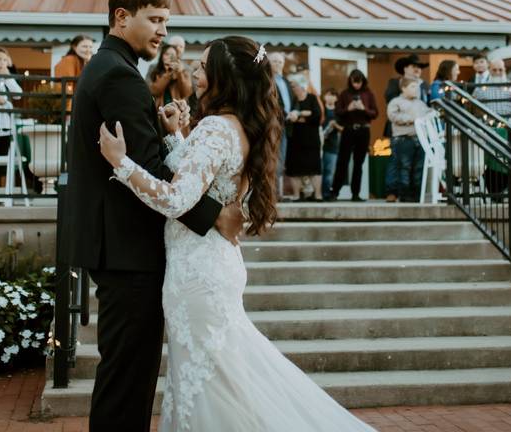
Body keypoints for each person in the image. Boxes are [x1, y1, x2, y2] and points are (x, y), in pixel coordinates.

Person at [98, 35, 374, 432]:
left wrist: (121, 163)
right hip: (210, 264)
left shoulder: (215, 128)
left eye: (203, 65)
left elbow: (177, 198)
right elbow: (204, 178)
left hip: (198, 272)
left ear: (222, 76)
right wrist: (176, 135)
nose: (194, 70)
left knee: (208, 385)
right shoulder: (235, 125)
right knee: (215, 381)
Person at [67, 0, 243, 432]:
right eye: (156, 20)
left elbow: (141, 159)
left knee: (124, 373)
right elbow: (147, 173)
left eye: (167, 21)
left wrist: (168, 134)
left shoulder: (110, 68)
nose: (164, 32)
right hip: (129, 251)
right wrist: (214, 214)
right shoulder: (120, 77)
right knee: (127, 380)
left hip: (117, 246)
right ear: (122, 17)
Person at [328, 69, 378, 202]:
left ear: (363, 81)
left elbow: (375, 113)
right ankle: (335, 192)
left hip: (363, 131)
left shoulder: (368, 94)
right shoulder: (344, 94)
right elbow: (338, 112)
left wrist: (363, 108)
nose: (356, 85)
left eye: (359, 82)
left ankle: (355, 194)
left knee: (358, 163)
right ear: (350, 81)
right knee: (342, 162)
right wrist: (348, 109)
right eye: (354, 82)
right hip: (348, 130)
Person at [385, 77, 429, 202]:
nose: (416, 90)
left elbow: (427, 114)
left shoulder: (420, 103)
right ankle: (405, 194)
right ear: (403, 88)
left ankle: (417, 194)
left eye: (417, 87)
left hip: (419, 139)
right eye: (413, 87)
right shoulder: (396, 102)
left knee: (418, 167)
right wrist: (411, 118)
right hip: (403, 139)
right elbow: (392, 116)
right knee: (404, 167)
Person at [285, 74, 323, 201]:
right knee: (294, 168)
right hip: (294, 139)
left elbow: (317, 116)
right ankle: (296, 195)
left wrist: (300, 115)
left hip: (311, 140)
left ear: (301, 86)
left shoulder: (312, 98)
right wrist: (305, 115)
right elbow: (286, 117)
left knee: (314, 167)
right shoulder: (291, 100)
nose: (292, 88)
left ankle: (318, 195)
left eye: (294, 86)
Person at [270, 51, 292, 197]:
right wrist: (286, 114)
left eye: (280, 62)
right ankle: (271, 192)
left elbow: (291, 101)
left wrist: (295, 111)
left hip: (287, 126)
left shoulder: (286, 82)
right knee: (271, 158)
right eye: (275, 61)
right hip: (273, 125)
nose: (278, 64)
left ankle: (277, 192)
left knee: (281, 159)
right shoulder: (267, 81)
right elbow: (273, 103)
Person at [320, 88, 342, 198]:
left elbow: (343, 128)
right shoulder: (321, 109)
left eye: (333, 95)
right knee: (319, 170)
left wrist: (335, 125)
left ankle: (326, 193)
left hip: (332, 145)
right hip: (319, 145)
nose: (330, 97)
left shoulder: (339, 112)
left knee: (329, 171)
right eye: (328, 95)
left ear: (336, 98)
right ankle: (317, 194)